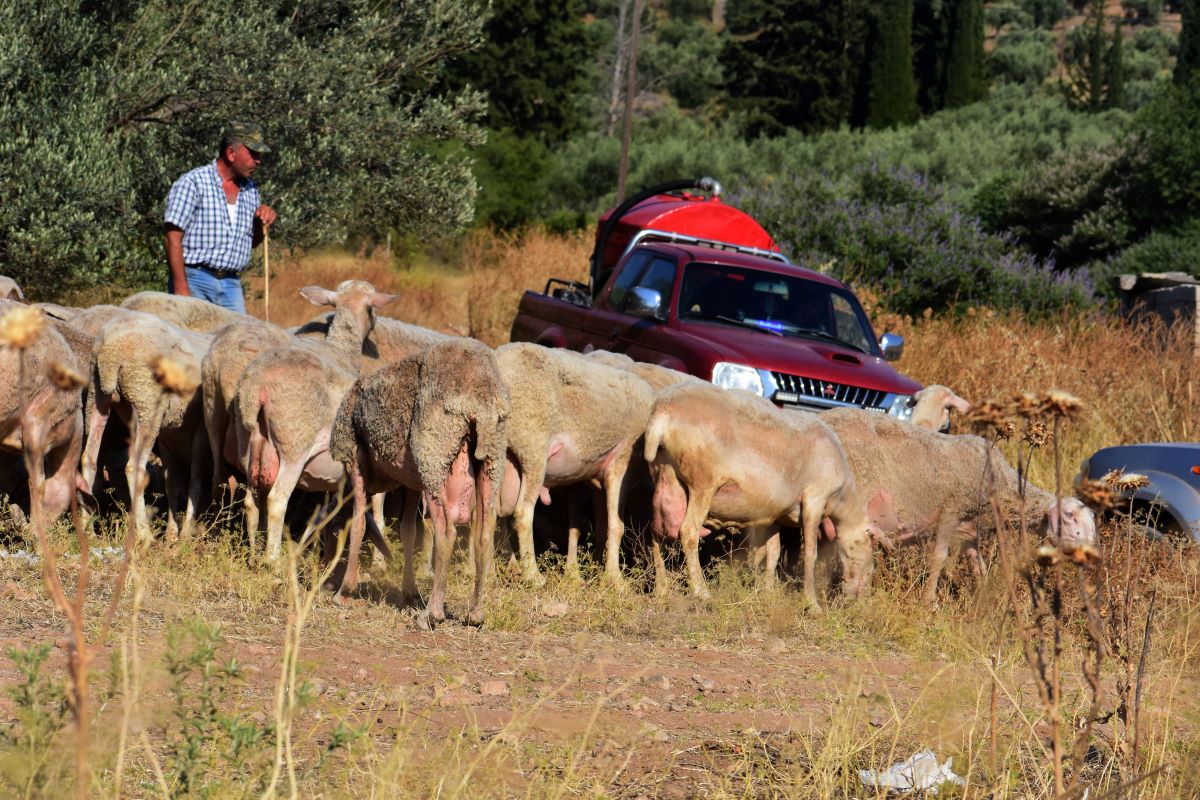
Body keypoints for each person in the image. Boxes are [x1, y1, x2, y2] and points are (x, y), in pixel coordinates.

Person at [164, 121, 278, 313]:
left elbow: (249, 243)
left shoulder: (251, 190)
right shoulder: (193, 182)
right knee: (192, 341)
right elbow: (171, 238)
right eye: (253, 154)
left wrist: (262, 223)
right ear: (231, 153)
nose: (258, 161)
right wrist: (181, 290)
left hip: (231, 285)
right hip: (195, 279)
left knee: (238, 341)